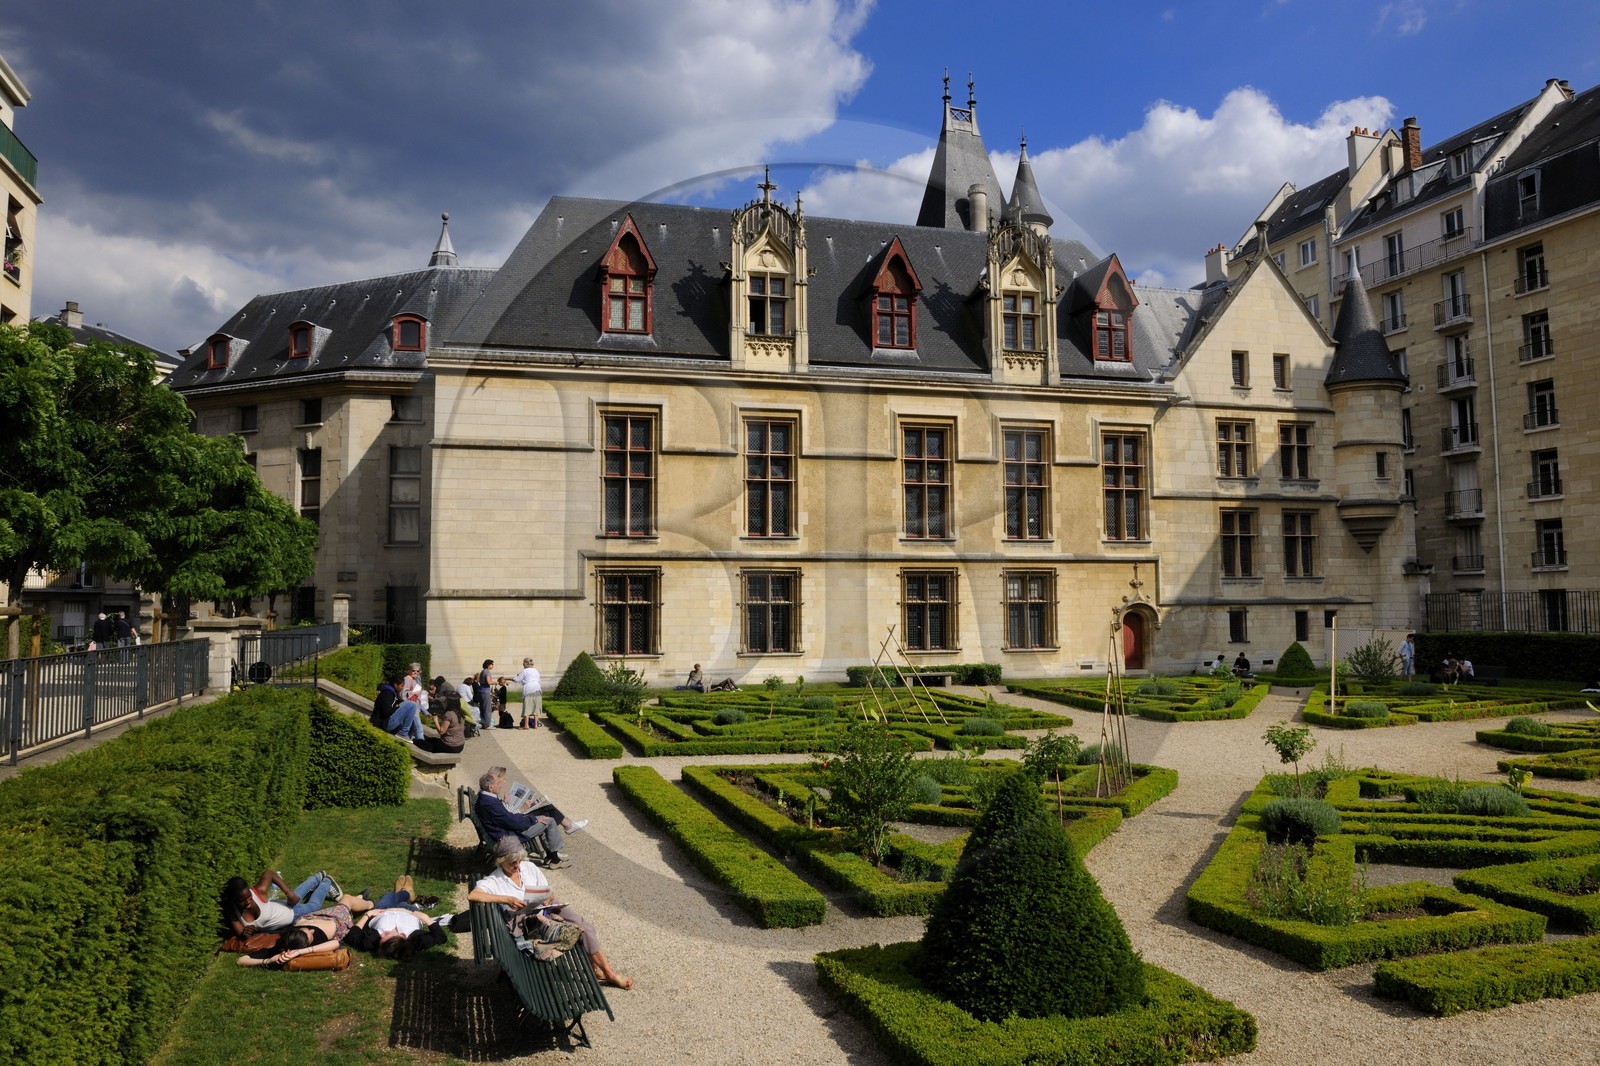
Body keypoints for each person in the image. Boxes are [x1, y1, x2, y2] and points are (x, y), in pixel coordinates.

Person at [469, 837, 632, 989]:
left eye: (519, 860)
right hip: (530, 920)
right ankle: (609, 974)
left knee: (585, 926)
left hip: (547, 906)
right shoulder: (495, 880)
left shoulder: (528, 867)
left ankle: (604, 970)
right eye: (512, 862)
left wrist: (549, 897)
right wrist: (506, 899)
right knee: (576, 930)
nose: (517, 865)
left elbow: (548, 891)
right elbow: (473, 895)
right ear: (501, 861)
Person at [475, 765, 587, 863]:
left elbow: (508, 818)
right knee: (549, 820)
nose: (501, 785)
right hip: (510, 835)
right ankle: (555, 859)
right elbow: (514, 823)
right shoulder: (490, 803)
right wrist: (534, 819)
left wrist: (531, 817)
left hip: (508, 829)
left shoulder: (485, 798)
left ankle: (551, 855)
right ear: (491, 787)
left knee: (544, 816)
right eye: (499, 783)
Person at [236, 904, 356, 967]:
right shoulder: (313, 945)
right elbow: (336, 943)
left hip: (317, 917)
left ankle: (361, 898)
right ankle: (365, 900)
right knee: (347, 901)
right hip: (337, 919)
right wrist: (268, 961)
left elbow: (241, 960)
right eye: (310, 934)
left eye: (305, 930)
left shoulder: (281, 945)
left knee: (347, 901)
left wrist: (267, 960)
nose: (312, 931)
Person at [509, 657, 543, 729]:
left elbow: (517, 679)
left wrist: (508, 678)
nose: (523, 664)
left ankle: (526, 725)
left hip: (529, 690)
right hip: (537, 689)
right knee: (536, 707)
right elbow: (527, 680)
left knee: (527, 707)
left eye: (523, 663)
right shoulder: (536, 671)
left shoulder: (525, 671)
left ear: (525, 663)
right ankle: (535, 725)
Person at [475, 659, 498, 729]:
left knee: (482, 708)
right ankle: (487, 725)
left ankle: (483, 723)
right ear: (488, 665)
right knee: (487, 708)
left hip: (481, 691)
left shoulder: (482, 671)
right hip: (485, 691)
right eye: (492, 664)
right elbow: (489, 682)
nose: (493, 666)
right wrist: (495, 682)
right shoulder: (487, 671)